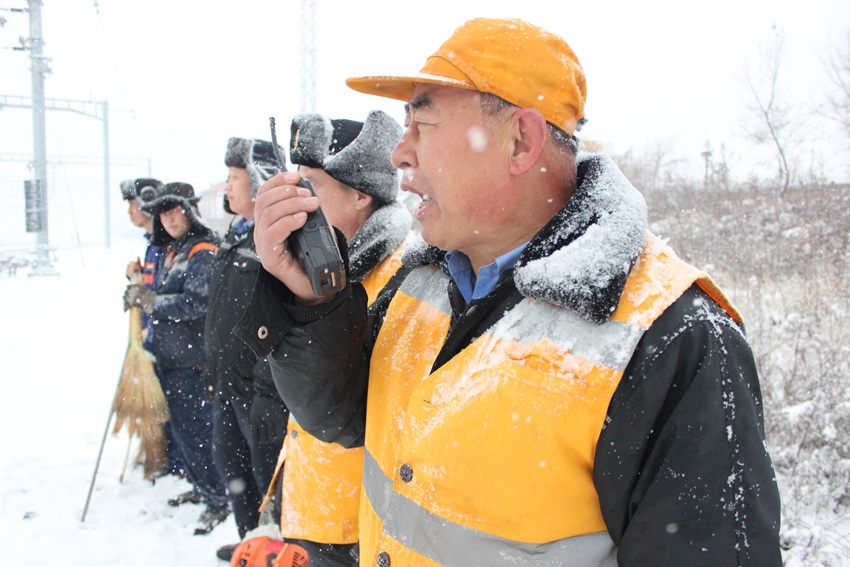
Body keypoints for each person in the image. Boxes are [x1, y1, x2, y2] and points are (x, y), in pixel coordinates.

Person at [239, 18, 781, 567]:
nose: (401, 154)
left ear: (520, 141)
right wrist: (312, 303)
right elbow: (339, 418)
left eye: (422, 122)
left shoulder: (675, 338)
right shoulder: (422, 279)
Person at [234, 110, 411, 567]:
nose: (295, 197)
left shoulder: (407, 281)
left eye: (309, 185)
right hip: (312, 511)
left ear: (359, 194)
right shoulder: (316, 271)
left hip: (356, 530)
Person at [123, 182, 230, 535]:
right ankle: (202, 488)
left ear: (190, 210)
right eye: (163, 214)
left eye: (174, 211)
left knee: (200, 432)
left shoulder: (201, 251)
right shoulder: (175, 250)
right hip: (171, 359)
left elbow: (198, 303)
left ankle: (218, 498)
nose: (168, 219)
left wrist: (152, 301)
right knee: (185, 434)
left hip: (192, 361)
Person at [206, 137, 291, 561]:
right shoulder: (237, 235)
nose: (226, 187)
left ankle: (273, 552)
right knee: (232, 469)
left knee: (267, 484)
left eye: (233, 177)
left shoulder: (277, 242)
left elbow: (283, 319)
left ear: (258, 182)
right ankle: (248, 546)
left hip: (261, 394)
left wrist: (265, 389)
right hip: (228, 387)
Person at [119, 177, 186, 480]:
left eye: (132, 204)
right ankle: (165, 458)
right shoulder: (153, 246)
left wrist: (147, 305)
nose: (131, 211)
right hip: (153, 336)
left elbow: (164, 294)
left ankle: (178, 463)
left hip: (169, 341)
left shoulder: (167, 246)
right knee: (162, 406)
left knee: (174, 409)